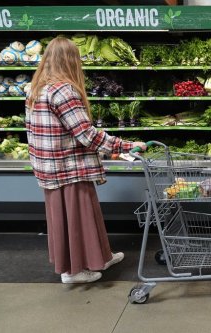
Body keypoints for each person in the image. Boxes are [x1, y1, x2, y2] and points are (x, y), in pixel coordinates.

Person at [25, 37, 146, 284]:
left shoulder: (36, 88)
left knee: (78, 215)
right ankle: (73, 271)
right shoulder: (63, 90)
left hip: (49, 168)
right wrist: (127, 145)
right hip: (68, 167)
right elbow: (86, 134)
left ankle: (100, 256)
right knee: (77, 218)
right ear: (71, 61)